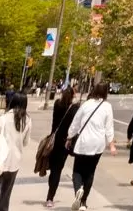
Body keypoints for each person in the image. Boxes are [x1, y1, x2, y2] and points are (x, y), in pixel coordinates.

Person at [64, 80, 114, 209]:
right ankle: (84, 202)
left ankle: (78, 191)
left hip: (84, 142)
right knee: (90, 172)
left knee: (77, 170)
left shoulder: (86, 104)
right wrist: (111, 144)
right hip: (98, 144)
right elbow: (109, 127)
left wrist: (69, 137)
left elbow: (76, 122)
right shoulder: (107, 106)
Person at [44, 82, 79, 206]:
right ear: (73, 96)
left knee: (54, 170)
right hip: (65, 142)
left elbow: (54, 122)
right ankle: (50, 197)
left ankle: (49, 197)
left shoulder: (57, 104)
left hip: (54, 140)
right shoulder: (74, 108)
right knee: (58, 169)